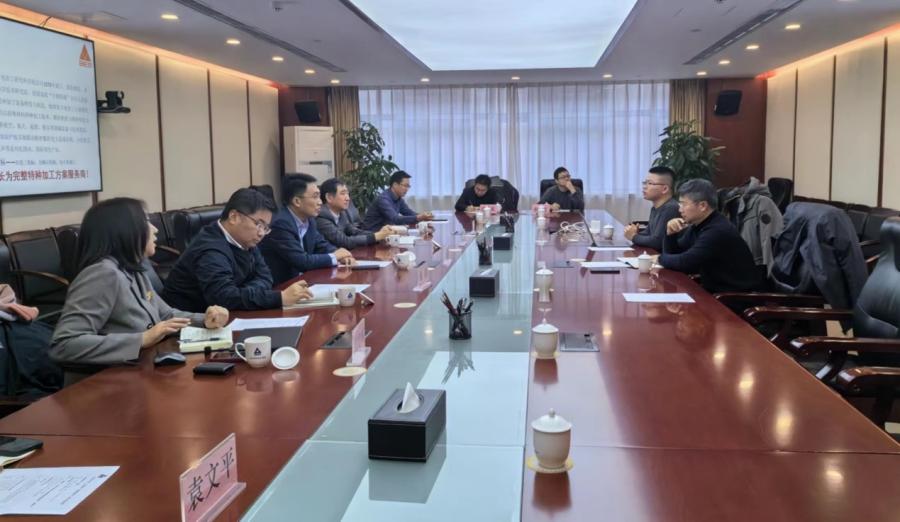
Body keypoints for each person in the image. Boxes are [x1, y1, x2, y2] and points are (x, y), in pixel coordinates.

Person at [50, 198, 229, 381]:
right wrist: (141, 339)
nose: (155, 229)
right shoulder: (102, 274)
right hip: (102, 384)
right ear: (125, 230)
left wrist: (205, 320)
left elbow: (166, 315)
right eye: (146, 222)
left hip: (140, 373)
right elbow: (64, 344)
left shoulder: (133, 269)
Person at [162, 188, 312, 312]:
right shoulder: (210, 249)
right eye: (258, 224)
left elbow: (265, 276)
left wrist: (243, 292)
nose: (261, 233)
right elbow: (224, 298)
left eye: (266, 228)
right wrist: (279, 298)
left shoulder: (245, 240)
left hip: (230, 316)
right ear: (234, 217)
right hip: (190, 325)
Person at [660, 179, 764, 293]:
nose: (680, 209)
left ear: (703, 206)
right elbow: (676, 254)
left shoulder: (717, 230)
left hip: (733, 297)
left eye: (683, 204)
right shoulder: (699, 225)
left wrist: (659, 259)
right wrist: (670, 234)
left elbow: (686, 263)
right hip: (714, 291)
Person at [259, 174, 355, 285]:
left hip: (304, 282)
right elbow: (302, 261)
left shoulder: (309, 220)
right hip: (282, 288)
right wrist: (334, 256)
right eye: (315, 197)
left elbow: (321, 245)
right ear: (297, 201)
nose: (320, 202)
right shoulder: (280, 223)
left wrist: (340, 255)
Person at [317, 178, 393, 249]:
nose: (348, 198)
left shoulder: (341, 214)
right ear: (329, 197)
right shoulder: (321, 218)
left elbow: (354, 232)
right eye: (343, 194)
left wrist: (380, 233)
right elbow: (344, 241)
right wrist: (375, 237)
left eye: (347, 194)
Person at [624, 166, 681, 251]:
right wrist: (633, 232)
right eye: (645, 183)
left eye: (650, 183)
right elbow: (649, 233)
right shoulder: (655, 208)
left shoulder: (671, 208)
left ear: (665, 189)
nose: (644, 187)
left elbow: (658, 242)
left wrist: (633, 236)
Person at [361, 171, 433, 231]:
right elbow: (395, 219)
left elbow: (409, 213)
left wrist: (424, 216)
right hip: (371, 235)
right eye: (405, 186)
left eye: (408, 186)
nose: (407, 189)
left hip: (385, 233)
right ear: (395, 185)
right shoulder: (383, 199)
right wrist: (419, 217)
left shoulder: (399, 198)